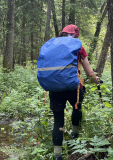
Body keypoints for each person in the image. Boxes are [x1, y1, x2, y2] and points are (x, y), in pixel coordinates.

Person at [50, 24, 99, 160]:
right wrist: (97, 80)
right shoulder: (79, 48)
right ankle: (75, 135)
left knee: (58, 121)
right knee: (77, 109)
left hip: (55, 88)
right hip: (74, 88)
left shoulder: (54, 46)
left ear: (63, 33)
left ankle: (58, 155)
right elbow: (89, 72)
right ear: (76, 35)